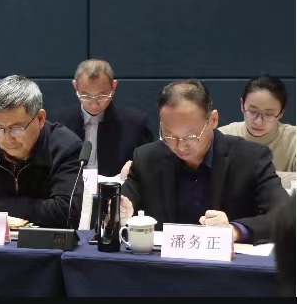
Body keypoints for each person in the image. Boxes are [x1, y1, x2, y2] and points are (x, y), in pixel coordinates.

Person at [121, 80, 289, 244]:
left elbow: (285, 215)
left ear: (213, 120)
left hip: (228, 261)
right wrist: (116, 213)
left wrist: (235, 230)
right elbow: (121, 204)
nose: (180, 146)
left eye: (190, 136)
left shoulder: (251, 158)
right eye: (169, 136)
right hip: (162, 260)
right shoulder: (147, 158)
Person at [0, 76, 83, 228]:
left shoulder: (65, 147)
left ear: (40, 119)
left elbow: (67, 212)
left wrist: (5, 206)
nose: (7, 138)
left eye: (16, 128)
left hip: (44, 242)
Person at [50, 59, 154, 179]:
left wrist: (136, 165)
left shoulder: (136, 124)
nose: (94, 104)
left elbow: (152, 162)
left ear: (113, 87)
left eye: (102, 96)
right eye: (86, 95)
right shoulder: (57, 124)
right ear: (75, 86)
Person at [219, 75, 295, 172]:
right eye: (253, 111)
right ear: (242, 105)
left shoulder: (293, 139)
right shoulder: (222, 137)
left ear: (281, 113)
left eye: (269, 114)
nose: (258, 122)